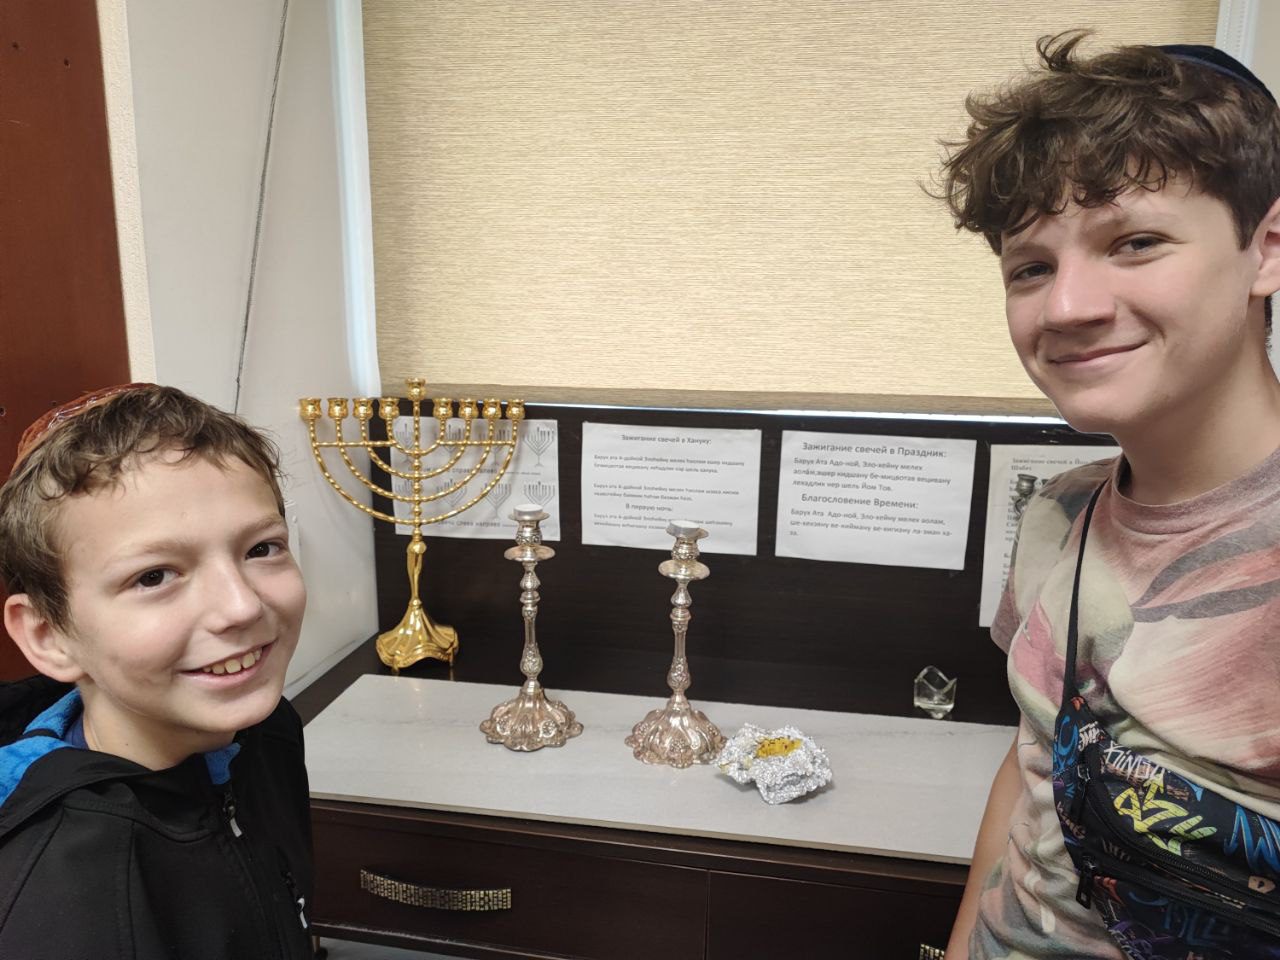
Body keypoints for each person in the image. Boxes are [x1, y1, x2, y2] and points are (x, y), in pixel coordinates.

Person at [935, 32, 1280, 959]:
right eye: (1031, 267)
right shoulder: (1061, 513)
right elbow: (1033, 769)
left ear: (1266, 250)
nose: (1067, 307)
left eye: (1135, 243)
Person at [0, 384, 313, 959]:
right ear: (48, 636)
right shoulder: (50, 907)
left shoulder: (266, 728)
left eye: (262, 549)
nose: (241, 606)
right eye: (153, 576)